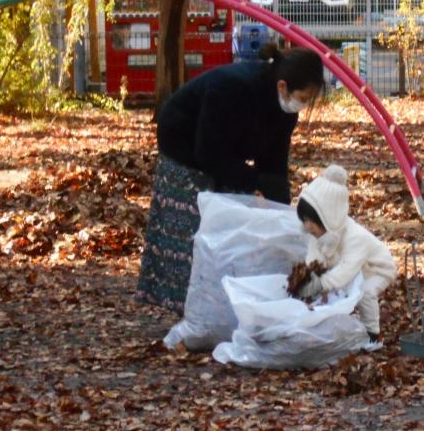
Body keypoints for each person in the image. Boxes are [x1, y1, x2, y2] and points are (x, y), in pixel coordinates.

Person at [137, 43, 326, 315]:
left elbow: (274, 163)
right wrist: (253, 182)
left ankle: (221, 302)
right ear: (283, 86)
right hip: (184, 142)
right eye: (303, 97)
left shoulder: (285, 112)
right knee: (196, 225)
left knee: (230, 219)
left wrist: (282, 210)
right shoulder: (233, 89)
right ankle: (188, 306)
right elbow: (209, 154)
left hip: (223, 152)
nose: (303, 105)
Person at [295, 164, 397, 342]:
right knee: (333, 294)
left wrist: (321, 283)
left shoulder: (356, 238)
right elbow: (314, 255)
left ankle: (371, 333)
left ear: (328, 217)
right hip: (346, 266)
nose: (307, 226)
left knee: (365, 292)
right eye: (305, 220)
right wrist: (310, 274)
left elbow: (345, 271)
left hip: (375, 269)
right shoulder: (317, 233)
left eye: (312, 221)